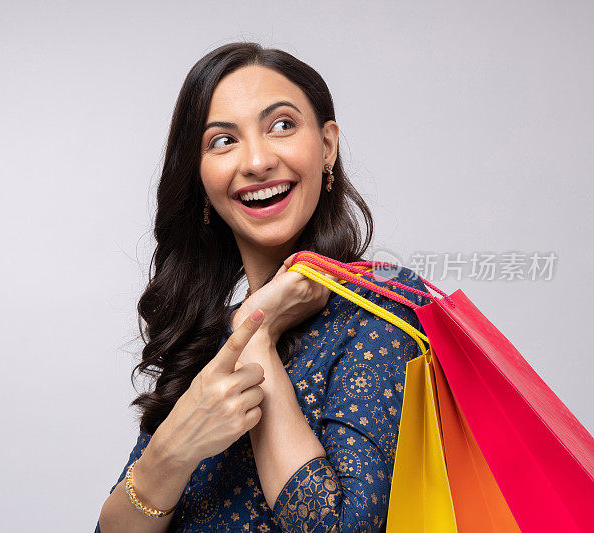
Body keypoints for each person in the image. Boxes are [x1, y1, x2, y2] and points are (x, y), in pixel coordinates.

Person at [95, 41, 430, 532]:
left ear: (327, 146)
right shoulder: (206, 343)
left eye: (282, 125)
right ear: (200, 179)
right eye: (222, 141)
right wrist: (175, 447)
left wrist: (255, 334)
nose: (255, 161)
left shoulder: (381, 306)